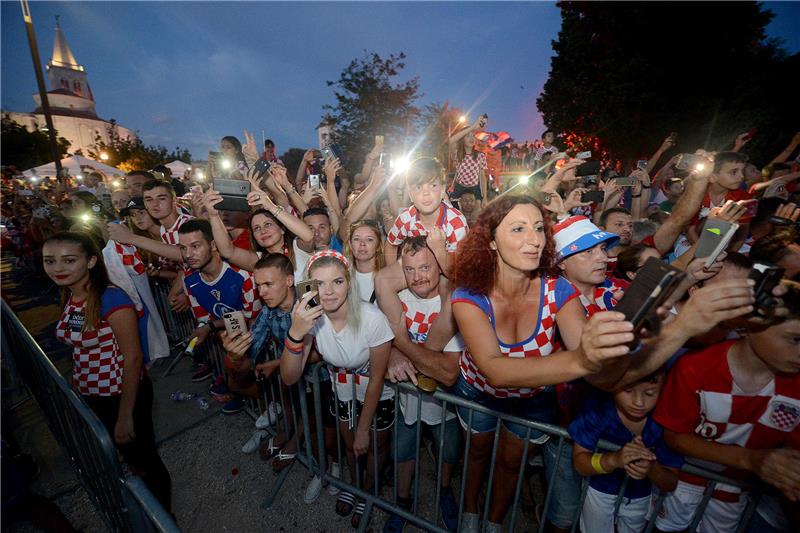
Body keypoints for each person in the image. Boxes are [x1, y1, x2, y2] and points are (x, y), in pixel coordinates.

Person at [450, 196, 636, 533]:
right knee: (475, 456)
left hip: (532, 401)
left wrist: (640, 332)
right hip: (478, 392)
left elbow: (597, 364)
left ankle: (494, 522)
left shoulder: (558, 289)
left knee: (510, 464)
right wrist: (582, 359)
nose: (534, 239)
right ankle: (470, 512)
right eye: (518, 229)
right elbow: (496, 369)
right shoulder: (470, 294)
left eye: (538, 228)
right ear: (491, 241)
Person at [654, 283, 800, 533]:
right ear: (751, 326)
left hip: (735, 491)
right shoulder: (694, 369)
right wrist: (751, 460)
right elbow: (675, 437)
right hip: (681, 482)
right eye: (795, 339)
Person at [42, 231, 172, 511]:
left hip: (122, 395)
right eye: (50, 261)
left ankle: (164, 517)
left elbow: (133, 357)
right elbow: (81, 344)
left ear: (90, 261)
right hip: (93, 394)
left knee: (146, 461)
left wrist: (125, 415)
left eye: (68, 260)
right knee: (131, 459)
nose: (58, 268)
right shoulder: (71, 295)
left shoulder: (111, 299)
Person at [279, 250, 394, 529]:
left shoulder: (372, 318)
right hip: (342, 388)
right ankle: (354, 485)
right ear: (308, 286)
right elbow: (290, 377)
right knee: (350, 446)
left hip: (375, 392)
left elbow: (378, 377)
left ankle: (369, 491)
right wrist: (296, 333)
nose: (328, 292)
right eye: (318, 284)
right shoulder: (311, 318)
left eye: (337, 282)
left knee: (374, 446)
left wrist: (364, 427)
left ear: (349, 283)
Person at [381, 236, 463, 533]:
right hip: (407, 403)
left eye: (426, 267)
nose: (418, 276)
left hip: (447, 405)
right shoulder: (397, 301)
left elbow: (448, 371)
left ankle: (443, 492)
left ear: (439, 266)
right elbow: (378, 340)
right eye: (410, 269)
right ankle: (402, 503)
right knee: (402, 453)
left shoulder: (455, 306)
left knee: (449, 452)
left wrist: (402, 345)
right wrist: (390, 352)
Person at [569, 370, 681, 533]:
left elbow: (670, 482)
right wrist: (613, 460)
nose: (639, 402)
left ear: (662, 388)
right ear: (612, 383)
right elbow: (579, 462)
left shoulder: (666, 420)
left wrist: (651, 468)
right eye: (628, 390)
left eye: (649, 393)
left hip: (640, 494)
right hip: (599, 489)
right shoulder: (597, 408)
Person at [177, 219, 262, 412]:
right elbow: (204, 318)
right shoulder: (189, 281)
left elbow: (251, 318)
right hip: (232, 346)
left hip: (259, 343)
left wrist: (212, 327)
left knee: (241, 382)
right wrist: (208, 329)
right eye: (183, 248)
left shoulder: (242, 275)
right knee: (235, 380)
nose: (188, 255)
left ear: (214, 244)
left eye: (195, 246)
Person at [345, 219, 384, 302]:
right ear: (350, 245)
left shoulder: (388, 277)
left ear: (378, 246)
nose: (362, 243)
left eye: (369, 239)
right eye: (356, 239)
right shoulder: (343, 276)